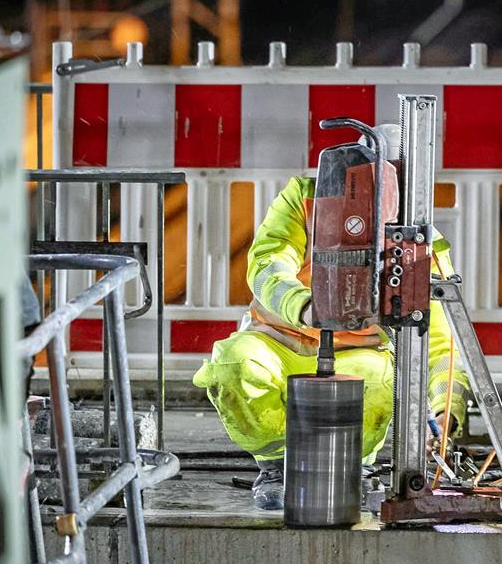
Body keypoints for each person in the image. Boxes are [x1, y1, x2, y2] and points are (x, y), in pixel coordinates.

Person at [193, 124, 470, 510]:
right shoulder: (305, 198)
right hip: (277, 339)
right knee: (236, 368)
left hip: (359, 351)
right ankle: (276, 463)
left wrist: (446, 414)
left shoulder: (419, 242)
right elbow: (267, 264)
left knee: (377, 386)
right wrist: (305, 306)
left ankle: (351, 466)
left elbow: (440, 343)